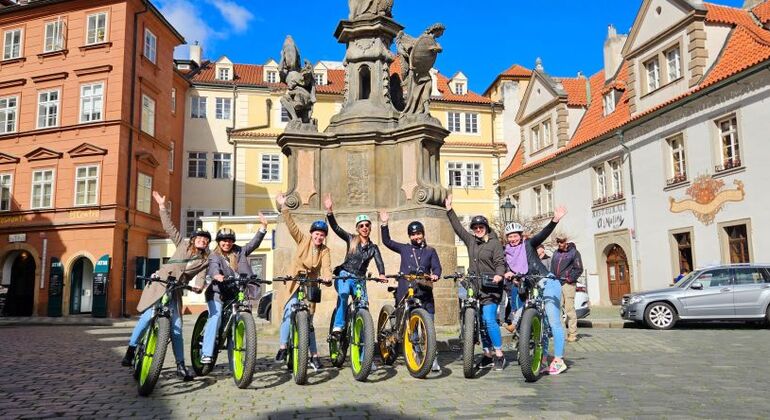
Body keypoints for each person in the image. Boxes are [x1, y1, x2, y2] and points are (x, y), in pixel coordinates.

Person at [121, 192, 210, 381]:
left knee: (177, 328)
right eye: (200, 238)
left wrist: (199, 287)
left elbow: (201, 276)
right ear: (193, 239)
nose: (203, 241)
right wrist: (162, 207)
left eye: (206, 240)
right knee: (146, 318)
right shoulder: (182, 244)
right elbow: (169, 227)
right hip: (161, 283)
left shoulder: (204, 260)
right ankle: (131, 350)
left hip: (176, 291)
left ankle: (180, 366)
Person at [501, 206, 569, 376]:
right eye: (510, 236)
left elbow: (543, 234)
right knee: (542, 324)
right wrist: (509, 274)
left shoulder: (529, 245)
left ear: (521, 236)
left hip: (547, 282)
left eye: (516, 235)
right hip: (532, 287)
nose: (513, 239)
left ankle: (559, 360)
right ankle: (544, 358)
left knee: (553, 321)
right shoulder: (507, 253)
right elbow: (510, 270)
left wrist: (555, 219)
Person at [444, 194, 507, 371]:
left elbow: (500, 262)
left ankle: (499, 354)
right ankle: (487, 354)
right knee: (478, 321)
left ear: (486, 228)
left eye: (481, 227)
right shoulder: (471, 241)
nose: (478, 229)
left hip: (491, 288)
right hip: (475, 286)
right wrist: (450, 210)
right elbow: (458, 229)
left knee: (488, 319)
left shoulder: (494, 244)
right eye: (476, 227)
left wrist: (499, 275)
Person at [274, 193, 333, 370]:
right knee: (288, 312)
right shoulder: (303, 240)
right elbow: (291, 226)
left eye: (322, 235)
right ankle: (283, 347)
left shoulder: (325, 250)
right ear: (312, 234)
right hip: (294, 282)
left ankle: (314, 356)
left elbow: (327, 267)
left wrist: (327, 277)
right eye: (317, 233)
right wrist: (284, 206)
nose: (319, 237)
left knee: (309, 322)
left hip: (310, 286)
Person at [379, 210, 442, 372]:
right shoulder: (405, 249)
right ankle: (416, 353)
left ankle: (432, 358)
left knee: (429, 329)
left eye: (419, 233)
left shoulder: (430, 251)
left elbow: (437, 267)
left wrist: (435, 274)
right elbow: (387, 241)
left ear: (423, 234)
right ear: (409, 236)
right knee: (411, 327)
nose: (416, 237)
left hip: (425, 293)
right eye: (413, 235)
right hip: (406, 291)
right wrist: (384, 224)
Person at [201, 214, 268, 365]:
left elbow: (253, 244)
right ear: (219, 242)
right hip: (218, 292)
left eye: (230, 240)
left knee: (238, 319)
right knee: (216, 316)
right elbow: (213, 267)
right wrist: (216, 275)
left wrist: (263, 228)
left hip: (235, 292)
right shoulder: (214, 255)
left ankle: (235, 363)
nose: (227, 243)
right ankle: (206, 352)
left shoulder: (239, 251)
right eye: (224, 240)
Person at [324, 194, 387, 337]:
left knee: (363, 305)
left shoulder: (373, 248)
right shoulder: (352, 239)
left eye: (367, 225)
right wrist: (329, 212)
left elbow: (379, 261)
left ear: (370, 228)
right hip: (344, 275)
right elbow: (336, 228)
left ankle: (365, 348)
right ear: (358, 229)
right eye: (361, 226)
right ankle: (338, 327)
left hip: (360, 280)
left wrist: (382, 274)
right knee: (344, 294)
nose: (364, 228)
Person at [550, 236, 583, 343]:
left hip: (568, 284)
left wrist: (569, 278)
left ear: (566, 242)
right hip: (557, 283)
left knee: (569, 309)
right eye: (558, 241)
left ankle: (572, 333)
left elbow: (579, 268)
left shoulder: (574, 253)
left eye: (562, 241)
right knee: (557, 309)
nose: (559, 243)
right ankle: (561, 333)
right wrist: (552, 279)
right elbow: (552, 268)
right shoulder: (556, 253)